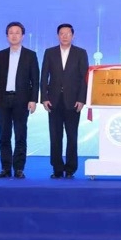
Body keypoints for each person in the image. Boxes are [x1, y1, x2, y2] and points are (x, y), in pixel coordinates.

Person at [0, 21, 39, 179]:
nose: (14, 35)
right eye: (11, 32)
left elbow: (35, 80)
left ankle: (19, 168)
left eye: (17, 32)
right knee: (4, 136)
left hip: (22, 100)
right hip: (3, 99)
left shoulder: (30, 55)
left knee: (20, 135)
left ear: (22, 36)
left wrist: (33, 100)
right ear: (7, 36)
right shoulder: (1, 55)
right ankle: (5, 168)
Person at [40, 23, 89, 179]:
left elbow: (84, 78)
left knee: (72, 136)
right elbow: (44, 76)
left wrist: (82, 99)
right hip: (53, 101)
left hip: (73, 101)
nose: (65, 36)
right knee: (55, 137)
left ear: (73, 36)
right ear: (58, 36)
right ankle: (57, 168)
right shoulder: (50, 52)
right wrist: (44, 98)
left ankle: (70, 169)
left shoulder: (80, 53)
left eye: (68, 33)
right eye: (62, 33)